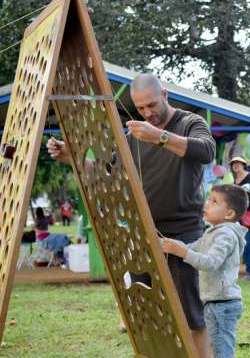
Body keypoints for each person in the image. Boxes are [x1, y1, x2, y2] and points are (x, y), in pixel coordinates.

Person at [47, 73, 215, 357]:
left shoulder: (189, 123)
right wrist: (71, 157)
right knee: (148, 313)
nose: (147, 113)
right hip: (141, 235)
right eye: (140, 108)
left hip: (183, 233)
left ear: (165, 94)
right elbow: (107, 174)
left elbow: (206, 151)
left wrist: (159, 137)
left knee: (192, 318)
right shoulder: (132, 136)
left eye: (151, 105)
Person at [162, 185, 247, 358]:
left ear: (229, 214)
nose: (206, 205)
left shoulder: (226, 235)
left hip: (224, 305)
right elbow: (191, 248)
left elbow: (211, 262)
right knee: (218, 347)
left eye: (214, 201)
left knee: (223, 351)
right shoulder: (212, 233)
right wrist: (168, 245)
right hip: (213, 302)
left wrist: (182, 252)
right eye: (208, 199)